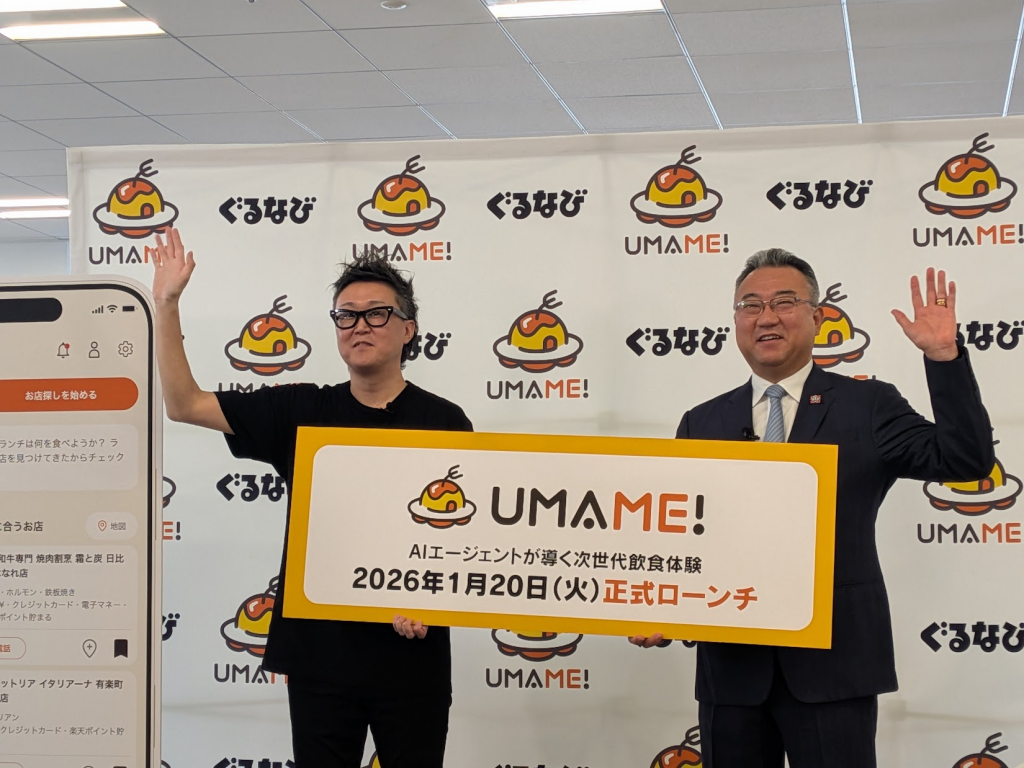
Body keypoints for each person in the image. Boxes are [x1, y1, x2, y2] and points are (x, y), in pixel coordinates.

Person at [630, 248, 993, 768]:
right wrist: (656, 604)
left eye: (784, 302)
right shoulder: (702, 421)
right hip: (731, 670)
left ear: (818, 316)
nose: (766, 317)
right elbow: (680, 534)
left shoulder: (868, 406)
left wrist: (943, 358)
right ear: (736, 320)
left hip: (835, 666)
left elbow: (965, 461)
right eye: (750, 305)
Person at [149, 227, 472, 768]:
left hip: (411, 656)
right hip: (321, 657)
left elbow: (462, 535)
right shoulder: (302, 411)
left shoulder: (445, 421)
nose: (359, 325)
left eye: (377, 314)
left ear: (408, 329)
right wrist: (166, 304)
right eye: (346, 315)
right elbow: (184, 404)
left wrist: (430, 602)